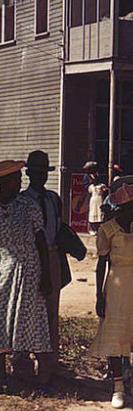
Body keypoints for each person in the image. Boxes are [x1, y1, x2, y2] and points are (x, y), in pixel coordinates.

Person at [90, 183, 133, 409]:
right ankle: (118, 386)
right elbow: (101, 265)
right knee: (115, 333)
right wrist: (99, 297)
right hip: (117, 284)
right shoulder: (107, 229)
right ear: (127, 204)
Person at [0, 160, 52, 393]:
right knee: (2, 322)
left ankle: (40, 376)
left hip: (30, 270)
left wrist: (46, 274)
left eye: (20, 178)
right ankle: (3, 375)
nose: (20, 183)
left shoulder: (28, 205)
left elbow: (41, 241)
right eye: (15, 180)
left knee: (32, 320)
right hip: (3, 271)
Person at [21, 150, 64, 376]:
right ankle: (22, 360)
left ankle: (49, 365)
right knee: (26, 310)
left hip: (52, 255)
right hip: (29, 259)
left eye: (44, 173)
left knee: (50, 312)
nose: (41, 177)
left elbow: (59, 230)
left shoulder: (53, 199)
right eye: (36, 173)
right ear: (28, 174)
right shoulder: (20, 201)